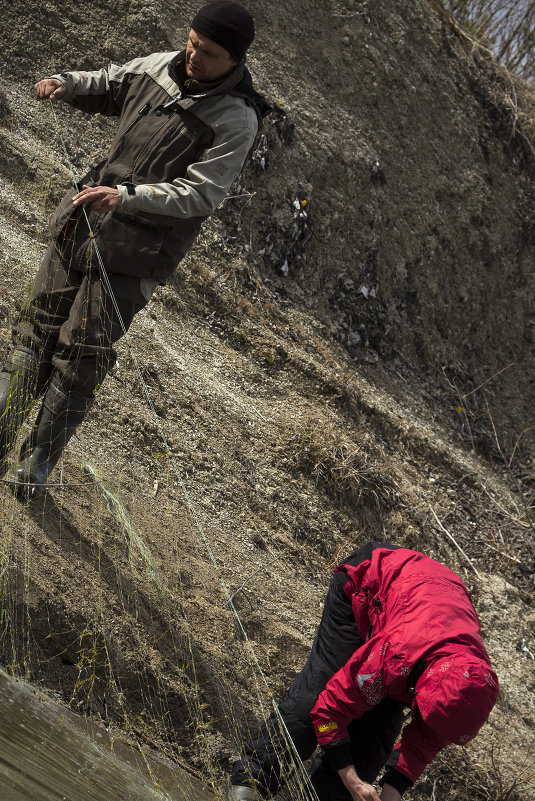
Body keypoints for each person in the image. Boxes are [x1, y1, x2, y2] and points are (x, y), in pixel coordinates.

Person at [0, 0, 269, 500]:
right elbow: (107, 82)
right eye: (191, 43)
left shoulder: (237, 120)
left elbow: (200, 195)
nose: (193, 56)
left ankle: (34, 466)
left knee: (80, 356)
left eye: (207, 53)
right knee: (35, 327)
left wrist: (126, 198)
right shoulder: (157, 67)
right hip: (81, 223)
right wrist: (66, 83)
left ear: (235, 60)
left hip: (135, 255)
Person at [228, 542, 499, 801]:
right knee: (314, 700)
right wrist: (351, 780)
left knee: (370, 746)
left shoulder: (468, 690)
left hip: (422, 609)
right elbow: (328, 711)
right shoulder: (397, 654)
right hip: (369, 585)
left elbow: (426, 740)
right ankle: (253, 781)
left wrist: (392, 793)